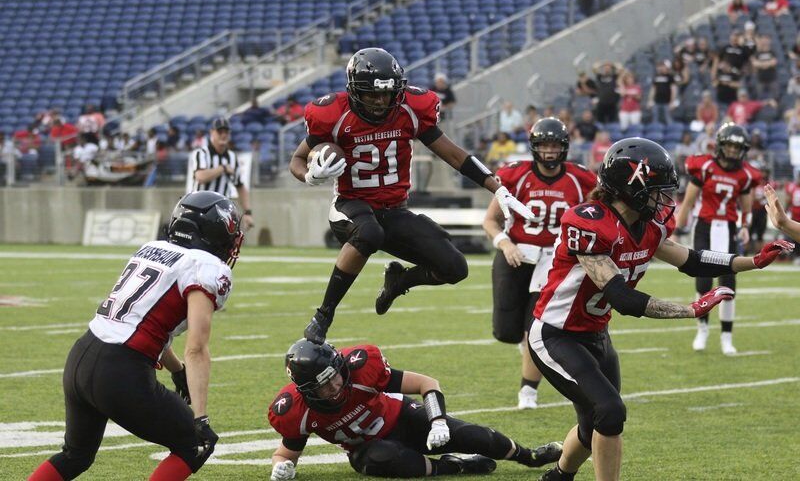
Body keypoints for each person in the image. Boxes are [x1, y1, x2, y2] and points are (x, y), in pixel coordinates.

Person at [530, 137, 791, 481]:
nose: (666, 200)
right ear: (630, 186)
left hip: (596, 334)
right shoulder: (590, 222)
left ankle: (559, 475)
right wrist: (689, 310)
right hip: (556, 334)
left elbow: (694, 260)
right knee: (609, 412)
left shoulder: (648, 227)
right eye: (658, 190)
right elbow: (621, 297)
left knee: (595, 420)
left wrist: (752, 262)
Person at [289, 48, 535, 344]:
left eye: (387, 94)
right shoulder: (333, 114)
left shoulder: (410, 109)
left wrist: (498, 187)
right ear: (355, 92)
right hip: (350, 207)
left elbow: (455, 156)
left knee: (455, 268)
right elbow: (297, 160)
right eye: (372, 95)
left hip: (394, 211)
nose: (381, 102)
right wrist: (309, 175)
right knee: (369, 233)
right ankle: (323, 315)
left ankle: (399, 281)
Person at [27, 191, 245, 481]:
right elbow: (197, 348)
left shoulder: (152, 248)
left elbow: (141, 321)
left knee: (75, 455)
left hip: (82, 355)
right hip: (120, 372)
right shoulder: (204, 266)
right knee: (196, 443)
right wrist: (200, 418)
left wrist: (176, 369)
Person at [268, 339, 563, 480]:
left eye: (335, 377)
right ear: (306, 391)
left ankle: (532, 457)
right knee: (387, 458)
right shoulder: (296, 411)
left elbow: (426, 383)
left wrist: (437, 421)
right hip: (367, 447)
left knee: (476, 435)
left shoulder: (360, 370)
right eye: (323, 386)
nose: (333, 387)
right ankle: (454, 465)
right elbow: (285, 453)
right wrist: (280, 468)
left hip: (404, 417)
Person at [483, 118, 596, 410]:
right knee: (506, 330)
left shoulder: (580, 179)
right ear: (534, 147)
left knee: (536, 327)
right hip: (517, 253)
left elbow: (596, 214)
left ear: (565, 148)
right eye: (544, 145)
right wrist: (505, 243)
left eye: (554, 145)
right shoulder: (515, 175)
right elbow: (491, 221)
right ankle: (526, 348)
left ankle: (528, 391)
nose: (549, 151)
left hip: (555, 259)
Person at [675, 124, 762, 355]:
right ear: (721, 145)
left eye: (737, 147)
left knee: (728, 283)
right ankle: (702, 329)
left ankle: (726, 336)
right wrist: (679, 222)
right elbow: (689, 201)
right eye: (730, 145)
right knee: (703, 280)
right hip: (704, 226)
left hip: (729, 228)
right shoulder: (704, 166)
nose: (733, 151)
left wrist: (745, 225)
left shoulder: (745, 175)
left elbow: (745, 204)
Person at [189, 117, 254, 231]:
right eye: (220, 132)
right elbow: (201, 177)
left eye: (226, 132)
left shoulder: (232, 157)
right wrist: (222, 168)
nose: (223, 135)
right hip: (199, 209)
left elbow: (240, 186)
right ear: (212, 133)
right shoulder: (201, 153)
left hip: (221, 212)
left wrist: (247, 212)